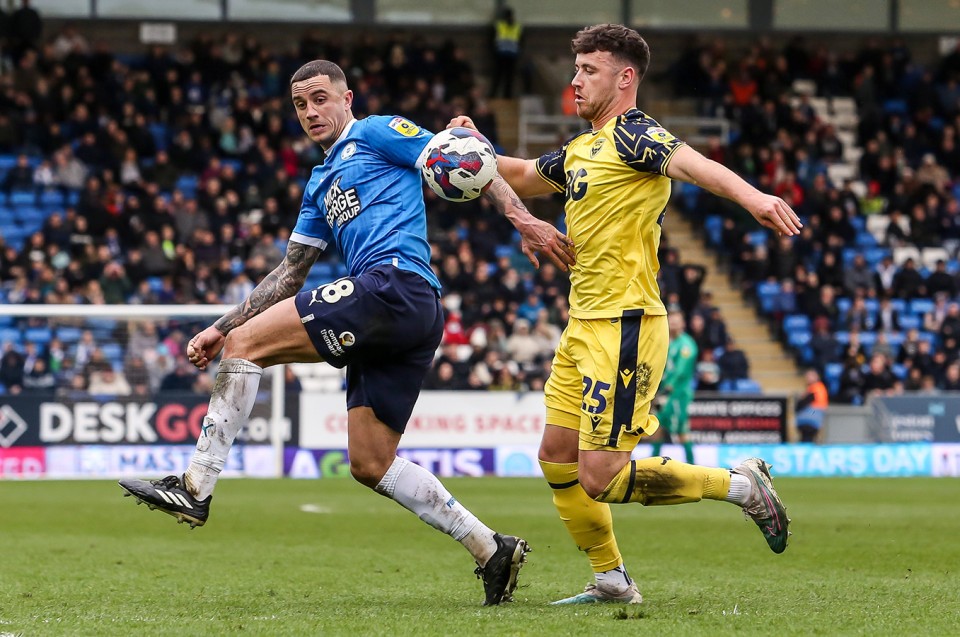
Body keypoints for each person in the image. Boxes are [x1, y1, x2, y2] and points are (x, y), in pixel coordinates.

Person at [118, 59, 575, 607]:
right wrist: (221, 325)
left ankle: (195, 486)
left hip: (394, 285)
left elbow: (466, 158)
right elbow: (289, 274)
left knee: (247, 350)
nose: (311, 112)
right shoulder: (317, 184)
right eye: (300, 104)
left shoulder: (379, 131)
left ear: (346, 97)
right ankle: (490, 547)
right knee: (370, 462)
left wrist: (522, 218)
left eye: (319, 99)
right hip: (406, 316)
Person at [450, 23, 798, 605]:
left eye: (589, 70)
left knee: (601, 476)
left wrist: (755, 198)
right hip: (582, 325)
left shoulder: (637, 136)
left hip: (626, 323)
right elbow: (519, 176)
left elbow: (696, 165)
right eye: (576, 69)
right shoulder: (582, 149)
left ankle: (741, 487)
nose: (575, 80)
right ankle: (611, 578)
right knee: (556, 458)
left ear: (625, 77)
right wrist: (475, 147)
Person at [650, 312, 698, 464]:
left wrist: (668, 388)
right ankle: (653, 465)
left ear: (683, 324)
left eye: (677, 321)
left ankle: (692, 466)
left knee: (681, 430)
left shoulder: (687, 345)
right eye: (671, 321)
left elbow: (680, 371)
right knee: (657, 426)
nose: (673, 324)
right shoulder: (666, 341)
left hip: (677, 394)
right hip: (663, 393)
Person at [489, 6, 522, 98]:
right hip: (500, 55)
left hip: (511, 56)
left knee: (508, 78)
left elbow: (521, 41)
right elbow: (491, 41)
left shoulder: (516, 26)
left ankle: (507, 96)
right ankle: (493, 95)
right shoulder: (499, 26)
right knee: (498, 76)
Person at [796, 369, 828, 443]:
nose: (808, 378)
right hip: (814, 417)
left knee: (807, 438)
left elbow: (803, 402)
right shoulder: (818, 387)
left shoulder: (816, 388)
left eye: (810, 376)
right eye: (807, 376)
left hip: (811, 416)